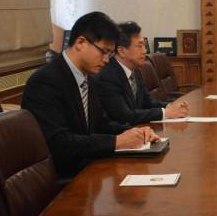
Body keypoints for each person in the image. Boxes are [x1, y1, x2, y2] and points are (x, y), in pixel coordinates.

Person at [22, 12, 160, 178]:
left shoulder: (88, 76)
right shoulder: (46, 81)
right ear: (81, 42)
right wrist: (116, 142)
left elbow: (101, 123)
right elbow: (59, 143)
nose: (107, 60)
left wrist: (135, 132)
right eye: (104, 52)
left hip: (90, 169)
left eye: (110, 54)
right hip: (65, 177)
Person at [96, 21, 189, 125]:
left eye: (144, 46)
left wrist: (169, 106)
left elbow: (147, 102)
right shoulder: (108, 76)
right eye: (140, 46)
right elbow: (124, 116)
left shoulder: (135, 70)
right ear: (121, 51)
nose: (145, 51)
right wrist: (165, 113)